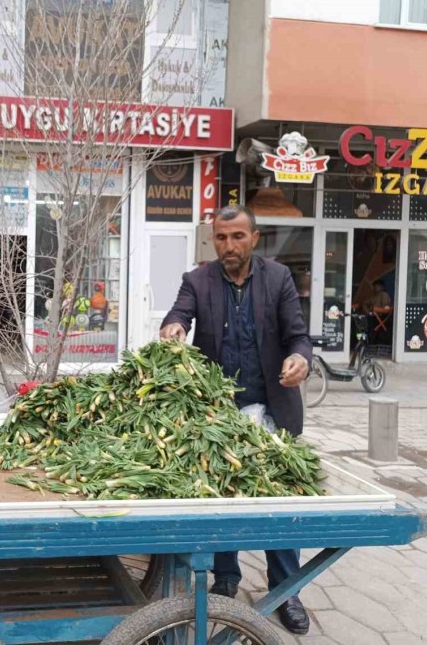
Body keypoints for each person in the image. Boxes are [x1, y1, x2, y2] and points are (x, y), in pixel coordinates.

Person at [158, 205, 313, 635]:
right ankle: (225, 577)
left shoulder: (278, 278)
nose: (229, 245)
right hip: (218, 418)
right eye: (221, 238)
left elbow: (297, 334)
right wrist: (172, 328)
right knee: (222, 497)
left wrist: (300, 357)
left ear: (254, 237)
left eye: (237, 237)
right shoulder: (198, 280)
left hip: (272, 410)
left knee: (279, 503)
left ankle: (287, 589)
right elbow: (179, 314)